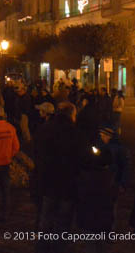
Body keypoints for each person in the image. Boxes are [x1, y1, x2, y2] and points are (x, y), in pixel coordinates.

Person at [35, 102, 86, 252]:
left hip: (48, 183)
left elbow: (37, 153)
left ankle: (43, 247)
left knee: (46, 219)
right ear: (71, 115)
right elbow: (82, 159)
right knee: (63, 221)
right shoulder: (76, 133)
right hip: (68, 185)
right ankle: (59, 247)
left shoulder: (45, 130)